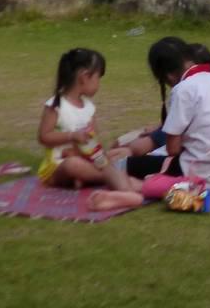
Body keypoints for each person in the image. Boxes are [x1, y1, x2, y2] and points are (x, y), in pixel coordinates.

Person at [125, 37, 210, 188]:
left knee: (122, 165)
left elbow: (172, 149)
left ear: (168, 76)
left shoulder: (184, 89)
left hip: (196, 172)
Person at [36, 47, 143, 209]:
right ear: (85, 77)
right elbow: (44, 137)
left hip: (88, 159)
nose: (99, 84)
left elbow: (94, 140)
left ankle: (124, 193)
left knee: (113, 157)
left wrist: (98, 154)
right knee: (74, 164)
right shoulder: (55, 105)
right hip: (59, 166)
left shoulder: (89, 108)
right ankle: (112, 179)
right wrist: (72, 136)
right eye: (98, 78)